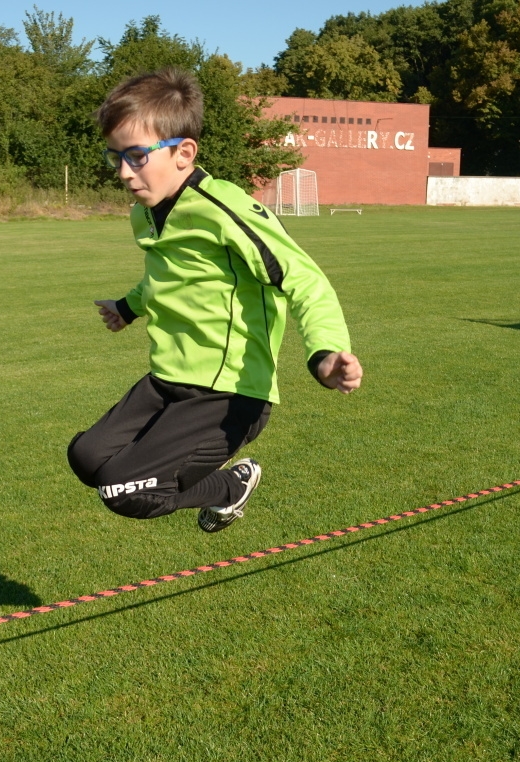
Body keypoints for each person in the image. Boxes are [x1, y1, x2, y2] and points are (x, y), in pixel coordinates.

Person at [68, 68, 363, 533]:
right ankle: (217, 484)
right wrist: (128, 307)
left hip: (226, 393)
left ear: (184, 152)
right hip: (166, 379)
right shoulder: (145, 214)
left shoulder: (223, 209)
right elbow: (166, 276)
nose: (124, 173)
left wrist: (325, 352)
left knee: (124, 490)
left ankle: (229, 488)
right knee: (86, 456)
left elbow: (305, 279)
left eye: (137, 156)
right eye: (115, 157)